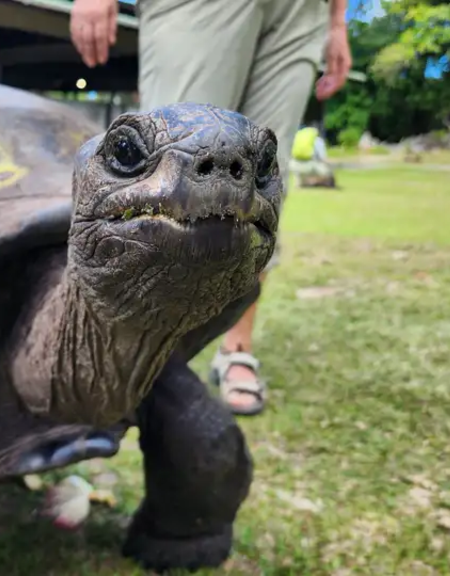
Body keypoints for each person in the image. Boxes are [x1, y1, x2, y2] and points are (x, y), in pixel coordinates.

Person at [70, 0, 352, 416]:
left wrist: (337, 21)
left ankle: (237, 347)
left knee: (261, 184)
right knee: (168, 157)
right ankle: (142, 359)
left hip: (302, 10)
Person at [290, 122, 335, 187]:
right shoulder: (318, 140)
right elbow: (323, 158)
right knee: (328, 173)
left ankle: (300, 182)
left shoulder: (297, 137)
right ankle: (313, 181)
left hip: (294, 166)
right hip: (310, 167)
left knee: (299, 167)